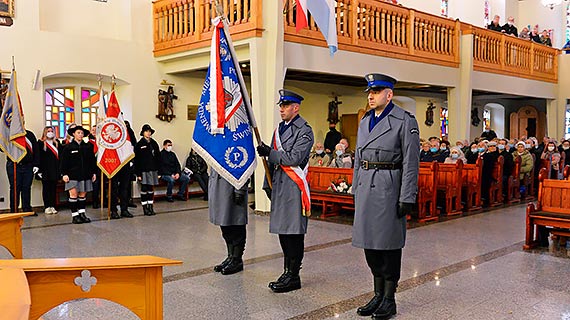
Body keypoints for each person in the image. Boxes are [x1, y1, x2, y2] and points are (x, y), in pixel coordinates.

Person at [352, 73, 419, 319]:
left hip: (389, 186)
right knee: (369, 243)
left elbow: (412, 162)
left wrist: (407, 196)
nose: (370, 96)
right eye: (369, 92)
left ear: (389, 94)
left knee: (388, 245)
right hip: (366, 185)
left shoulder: (404, 120)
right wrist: (355, 188)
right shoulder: (364, 121)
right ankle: (377, 294)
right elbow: (358, 158)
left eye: (376, 91)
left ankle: (389, 299)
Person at [256, 89, 314, 293]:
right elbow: (271, 163)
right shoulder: (279, 129)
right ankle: (287, 271)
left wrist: (269, 152)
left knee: (294, 233)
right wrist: (267, 184)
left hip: (294, 187)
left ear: (295, 108)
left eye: (285, 106)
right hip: (280, 186)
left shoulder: (304, 130)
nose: (281, 109)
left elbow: (294, 158)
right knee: (283, 231)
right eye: (280, 106)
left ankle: (294, 275)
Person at [210, 170, 249, 275]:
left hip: (232, 188)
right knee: (225, 224)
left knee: (236, 224)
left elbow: (244, 166)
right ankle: (230, 256)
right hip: (219, 188)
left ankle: (237, 259)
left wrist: (240, 189)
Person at [60, 125, 97, 224]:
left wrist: (93, 172)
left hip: (85, 174)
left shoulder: (88, 146)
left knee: (83, 194)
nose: (80, 135)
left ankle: (82, 214)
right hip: (72, 175)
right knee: (73, 195)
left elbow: (92, 161)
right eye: (78, 133)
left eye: (82, 133)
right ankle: (75, 215)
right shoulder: (68, 147)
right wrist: (64, 174)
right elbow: (63, 162)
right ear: (73, 134)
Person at [5, 129, 40, 214]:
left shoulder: (29, 134)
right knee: (14, 188)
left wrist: (36, 164)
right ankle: (14, 210)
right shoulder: (9, 134)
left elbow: (36, 150)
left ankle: (27, 209)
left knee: (26, 188)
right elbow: (2, 148)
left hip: (28, 165)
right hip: (14, 164)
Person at [134, 124, 161, 216]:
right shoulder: (139, 144)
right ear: (143, 133)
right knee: (144, 188)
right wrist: (138, 174)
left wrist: (159, 171)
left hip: (153, 169)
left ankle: (151, 207)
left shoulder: (154, 143)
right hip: (143, 170)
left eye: (149, 131)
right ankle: (145, 208)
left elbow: (158, 158)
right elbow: (136, 160)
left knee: (150, 188)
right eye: (146, 131)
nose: (148, 133)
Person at [37, 126, 60, 215]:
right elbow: (39, 157)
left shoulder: (57, 143)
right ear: (45, 133)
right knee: (46, 189)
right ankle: (47, 206)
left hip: (54, 170)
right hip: (45, 170)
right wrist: (39, 170)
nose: (50, 132)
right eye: (48, 131)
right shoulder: (41, 143)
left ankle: (53, 206)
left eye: (52, 131)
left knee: (53, 189)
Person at [481, 141, 499, 207]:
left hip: (491, 173)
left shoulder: (496, 154)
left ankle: (486, 198)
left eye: (494, 146)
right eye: (490, 146)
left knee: (485, 180)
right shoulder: (485, 154)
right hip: (484, 171)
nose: (492, 148)